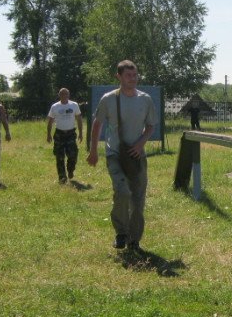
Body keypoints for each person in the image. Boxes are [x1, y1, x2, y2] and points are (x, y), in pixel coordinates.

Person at [87, 60, 157, 251]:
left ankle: (134, 240)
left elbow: (151, 126)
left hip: (137, 157)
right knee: (123, 192)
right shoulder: (109, 99)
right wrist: (93, 151)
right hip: (115, 154)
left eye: (135, 75)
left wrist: (141, 143)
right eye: (128, 75)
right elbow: (97, 124)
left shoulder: (145, 99)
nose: (132, 79)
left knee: (138, 199)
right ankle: (121, 233)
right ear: (118, 76)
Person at [46, 87, 83, 183]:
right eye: (62, 94)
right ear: (59, 95)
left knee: (73, 155)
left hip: (70, 133)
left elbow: (79, 119)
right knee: (59, 156)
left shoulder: (74, 105)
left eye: (66, 94)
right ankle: (62, 177)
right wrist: (48, 134)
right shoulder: (55, 107)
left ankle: (70, 170)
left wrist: (81, 133)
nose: (64, 96)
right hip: (59, 134)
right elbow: (50, 121)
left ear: (68, 95)